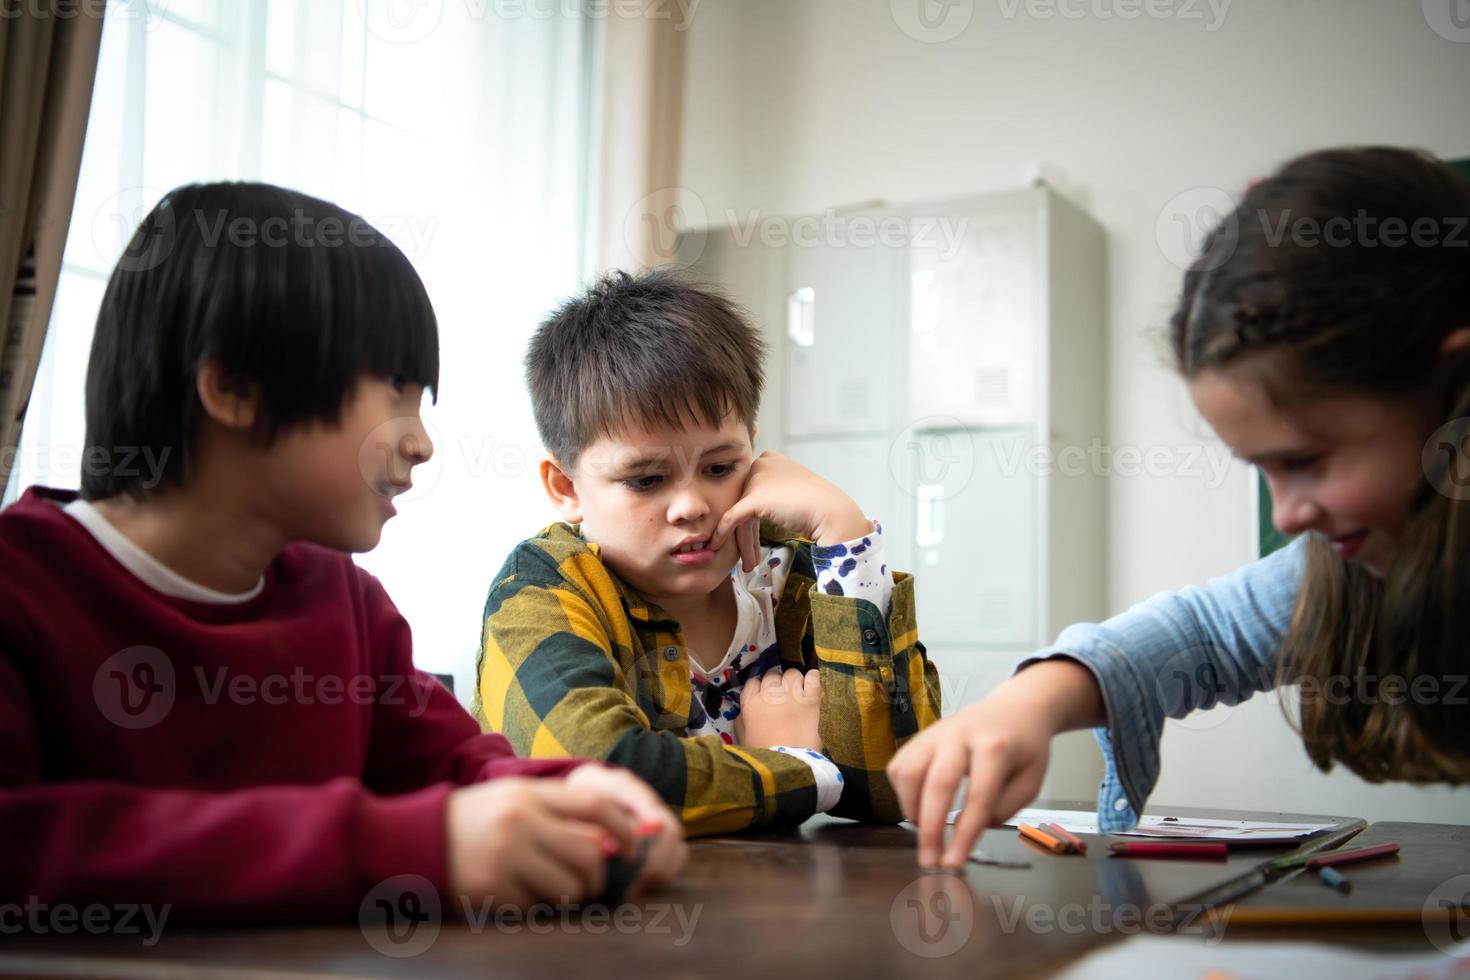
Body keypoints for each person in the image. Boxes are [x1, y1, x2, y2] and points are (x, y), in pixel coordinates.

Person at [0, 183, 684, 922]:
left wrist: (567, 799)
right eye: (394, 388)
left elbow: (451, 766)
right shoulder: (23, 586)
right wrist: (404, 849)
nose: (421, 443)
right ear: (233, 386)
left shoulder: (349, 603)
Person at [888, 146, 1470, 869]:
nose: (1287, 517)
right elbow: (1206, 633)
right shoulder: (1347, 566)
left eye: (1304, 461)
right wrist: (1027, 705)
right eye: (1263, 472)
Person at [475, 269, 941, 835]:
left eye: (720, 468)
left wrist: (845, 535)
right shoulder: (544, 589)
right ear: (566, 489)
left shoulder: (792, 578)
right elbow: (603, 787)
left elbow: (904, 783)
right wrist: (790, 761)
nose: (692, 505)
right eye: (646, 480)